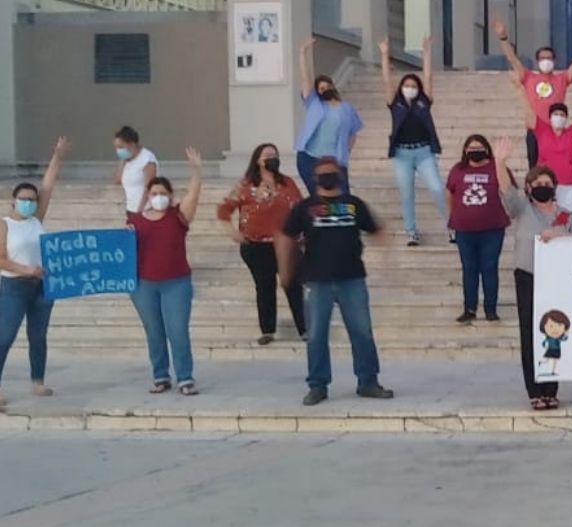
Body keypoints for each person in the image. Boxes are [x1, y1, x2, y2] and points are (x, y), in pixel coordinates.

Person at [278, 157, 394, 406]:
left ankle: (368, 381)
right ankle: (318, 385)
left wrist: (386, 261)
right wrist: (285, 270)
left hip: (352, 279)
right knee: (316, 335)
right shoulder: (304, 208)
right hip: (317, 281)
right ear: (315, 178)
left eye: (332, 173)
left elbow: (377, 229)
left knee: (362, 332)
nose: (327, 177)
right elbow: (286, 236)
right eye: (323, 174)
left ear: (339, 176)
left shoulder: (353, 204)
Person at [494, 138, 572, 411]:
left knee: (555, 331)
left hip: (556, 279)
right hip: (527, 275)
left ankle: (551, 387)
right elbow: (506, 190)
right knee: (530, 331)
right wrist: (500, 162)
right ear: (529, 188)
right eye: (537, 184)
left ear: (555, 187)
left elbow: (571, 237)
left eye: (547, 183)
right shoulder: (522, 208)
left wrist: (558, 233)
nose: (543, 187)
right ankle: (534, 390)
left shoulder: (563, 214)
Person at [127, 147, 203, 396]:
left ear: (170, 196)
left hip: (176, 282)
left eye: (163, 193)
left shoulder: (178, 216)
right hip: (143, 284)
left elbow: (193, 195)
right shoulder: (135, 222)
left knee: (178, 330)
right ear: (148, 195)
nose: (158, 196)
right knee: (154, 331)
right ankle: (160, 375)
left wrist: (196, 171)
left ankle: (185, 377)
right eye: (154, 193)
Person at [0, 137, 68, 405]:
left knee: (38, 336)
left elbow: (48, 186)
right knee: (5, 335)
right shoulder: (5, 225)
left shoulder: (36, 220)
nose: (28, 203)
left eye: (31, 199)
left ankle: (38, 380)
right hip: (14, 286)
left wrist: (58, 157)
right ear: (14, 201)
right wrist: (25, 268)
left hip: (41, 286)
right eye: (23, 199)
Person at [216, 143, 306, 346]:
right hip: (256, 246)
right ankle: (267, 330)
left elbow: (301, 208)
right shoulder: (245, 185)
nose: (272, 158)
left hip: (286, 245)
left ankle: (304, 328)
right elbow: (224, 209)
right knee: (264, 286)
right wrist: (233, 232)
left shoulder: (288, 183)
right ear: (258, 160)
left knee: (293, 286)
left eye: (275, 155)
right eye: (267, 155)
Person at [491, 17, 572, 167]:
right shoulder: (528, 77)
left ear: (554, 60)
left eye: (549, 58)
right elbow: (513, 59)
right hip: (534, 129)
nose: (546, 61)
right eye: (542, 58)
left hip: (554, 130)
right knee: (534, 167)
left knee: (555, 166)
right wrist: (503, 38)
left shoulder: (562, 78)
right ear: (537, 61)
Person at [380, 35, 448, 246]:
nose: (410, 87)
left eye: (413, 85)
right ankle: (411, 231)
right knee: (406, 193)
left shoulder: (424, 102)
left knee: (437, 188)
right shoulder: (395, 103)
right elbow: (386, 80)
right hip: (402, 154)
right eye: (406, 85)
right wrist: (384, 54)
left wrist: (426, 53)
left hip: (424, 152)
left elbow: (428, 78)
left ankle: (452, 227)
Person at [446, 135, 513, 323]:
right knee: (469, 269)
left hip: (492, 230)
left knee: (489, 268)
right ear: (466, 151)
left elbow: (509, 189)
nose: (475, 151)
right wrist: (453, 217)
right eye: (471, 148)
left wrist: (501, 163)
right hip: (464, 231)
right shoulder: (458, 170)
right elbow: (449, 192)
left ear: (486, 149)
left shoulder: (495, 167)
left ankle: (490, 309)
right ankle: (469, 308)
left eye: (479, 147)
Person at [517, 76, 572, 216]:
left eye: (562, 114)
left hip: (569, 184)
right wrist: (519, 89)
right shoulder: (541, 130)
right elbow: (528, 111)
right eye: (556, 114)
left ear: (566, 118)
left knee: (566, 219)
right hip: (545, 184)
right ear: (550, 118)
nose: (559, 117)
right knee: (543, 217)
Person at [295, 37, 362, 196]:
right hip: (309, 157)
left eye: (328, 86)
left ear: (333, 87)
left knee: (343, 197)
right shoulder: (314, 104)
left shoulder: (346, 108)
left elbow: (353, 132)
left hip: (335, 159)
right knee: (318, 196)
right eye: (321, 88)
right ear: (317, 92)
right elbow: (306, 79)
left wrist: (346, 149)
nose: (325, 89)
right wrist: (302, 54)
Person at [113, 126, 157, 213]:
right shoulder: (127, 160)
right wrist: (122, 161)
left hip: (146, 209)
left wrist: (140, 210)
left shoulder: (147, 159)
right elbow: (117, 180)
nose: (118, 150)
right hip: (130, 208)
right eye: (116, 147)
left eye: (121, 147)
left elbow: (148, 187)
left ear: (132, 144)